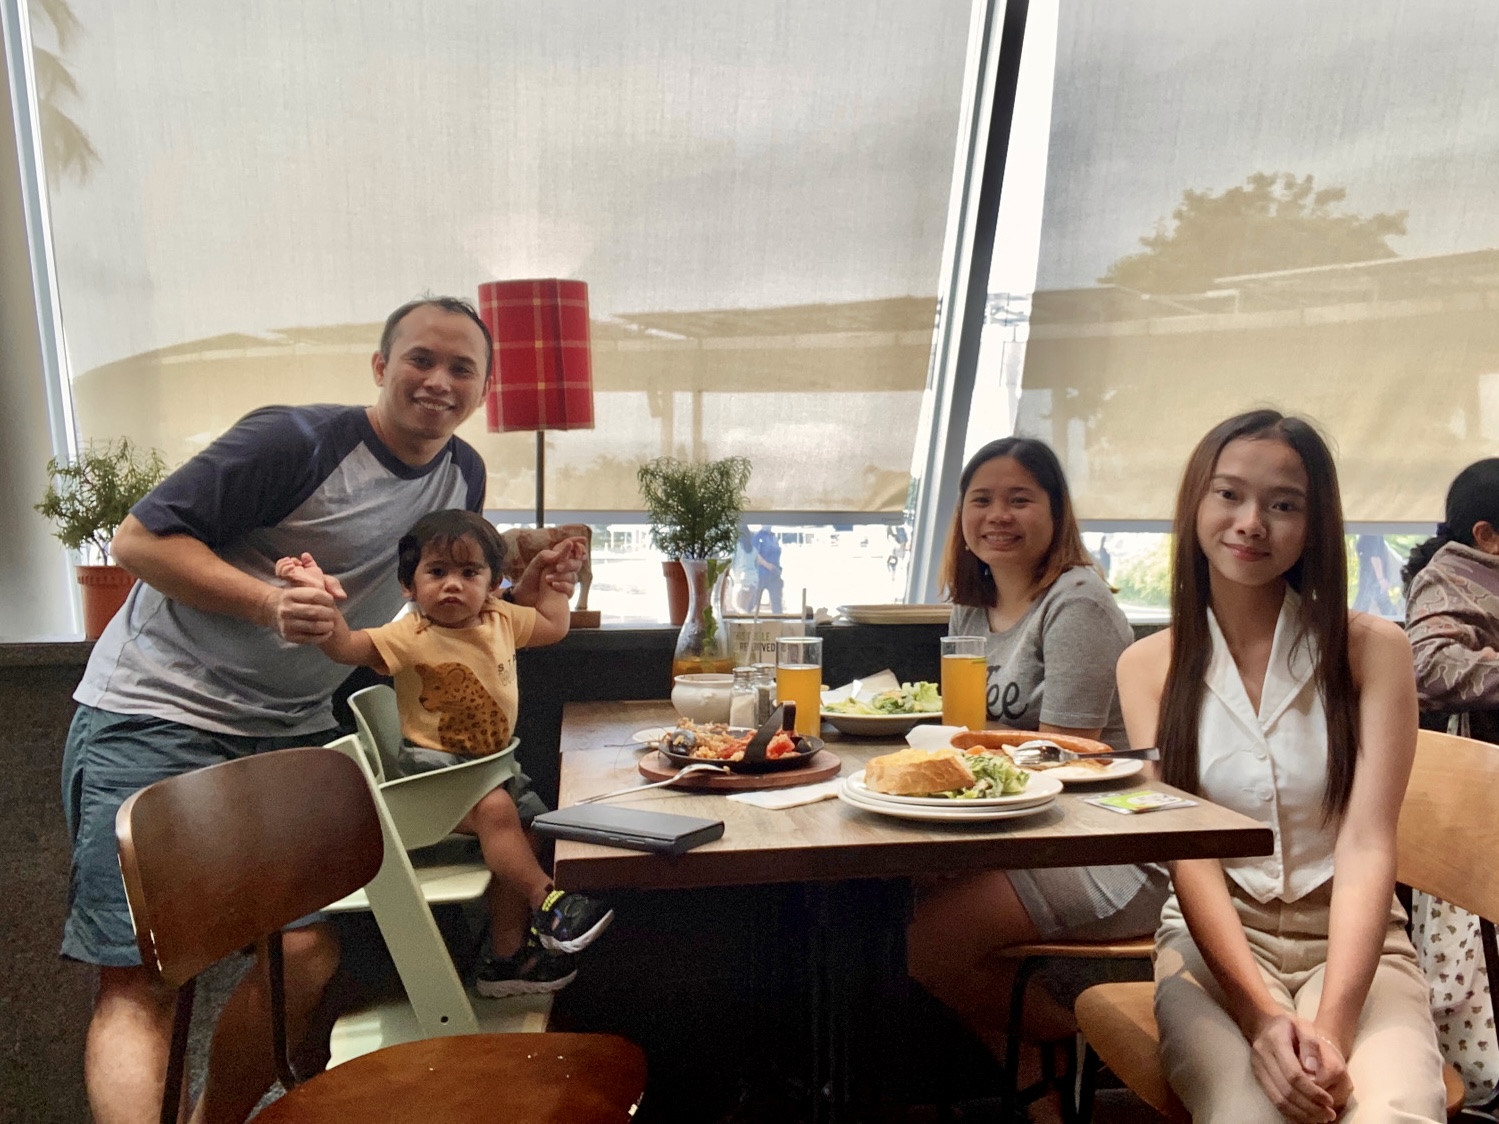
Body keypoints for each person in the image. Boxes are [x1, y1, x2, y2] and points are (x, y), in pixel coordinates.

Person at [60, 296, 581, 1124]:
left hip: (287, 731)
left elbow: (439, 588)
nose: (438, 381)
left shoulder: (462, 474)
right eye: (420, 359)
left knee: (302, 952)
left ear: (485, 387)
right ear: (381, 367)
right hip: (154, 714)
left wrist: (523, 568)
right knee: (142, 977)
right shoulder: (293, 441)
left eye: (461, 368)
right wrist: (270, 604)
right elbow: (137, 543)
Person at [1116, 409, 1445, 1123]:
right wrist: (1261, 1016)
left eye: (1283, 504)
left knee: (1388, 1113)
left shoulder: (1372, 649)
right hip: (1217, 947)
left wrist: (1332, 1024)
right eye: (1228, 493)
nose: (1250, 522)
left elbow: (1365, 843)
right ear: (1195, 505)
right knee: (1250, 1115)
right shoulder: (1146, 666)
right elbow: (1188, 855)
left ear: (1315, 524)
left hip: (1356, 943)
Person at [906, 437, 1169, 1063]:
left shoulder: (1076, 603)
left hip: (1109, 847)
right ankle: (1044, 1106)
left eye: (1020, 499)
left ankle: (1087, 1049)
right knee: (910, 905)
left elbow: (1061, 763)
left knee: (923, 950)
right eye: (982, 500)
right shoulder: (972, 609)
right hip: (1028, 834)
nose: (998, 515)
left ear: (1055, 514)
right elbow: (964, 740)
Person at [277, 511, 610, 996]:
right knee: (498, 811)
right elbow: (347, 647)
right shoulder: (408, 636)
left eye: (469, 573)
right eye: (437, 572)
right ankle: (550, 903)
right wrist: (322, 606)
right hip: (432, 778)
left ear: (494, 583)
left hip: (493, 767)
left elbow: (553, 627)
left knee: (528, 830)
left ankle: (504, 959)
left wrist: (558, 584)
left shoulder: (500, 618)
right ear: (408, 585)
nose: (453, 585)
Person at [1400, 457, 1499, 1105]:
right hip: (1475, 795)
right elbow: (1428, 665)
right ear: (1486, 535)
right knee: (1465, 957)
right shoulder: (1449, 579)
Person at [752, 525, 783, 614]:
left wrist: (778, 569)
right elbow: (755, 555)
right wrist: (768, 566)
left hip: (775, 576)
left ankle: (778, 624)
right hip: (761, 574)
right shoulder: (757, 537)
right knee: (755, 603)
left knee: (777, 603)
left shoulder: (774, 537)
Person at [729, 524, 759, 613]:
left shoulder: (735, 546)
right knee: (745, 607)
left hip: (741, 579)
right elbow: (757, 562)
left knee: (736, 606)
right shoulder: (752, 548)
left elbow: (729, 562)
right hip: (753, 579)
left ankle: (746, 625)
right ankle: (749, 624)